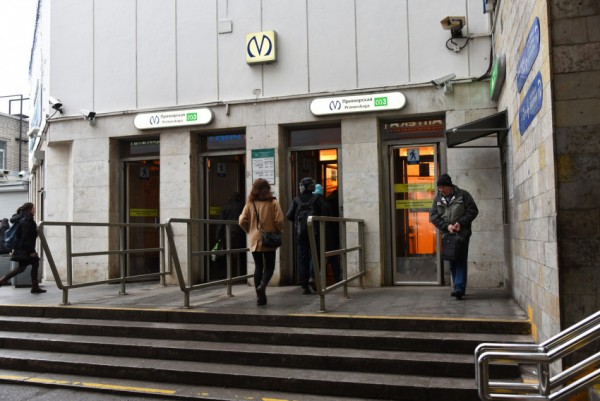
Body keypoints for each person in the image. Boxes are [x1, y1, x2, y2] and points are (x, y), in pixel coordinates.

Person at [429, 174, 478, 300]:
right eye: (439, 188)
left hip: (462, 234)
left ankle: (459, 288)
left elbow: (473, 210)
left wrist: (460, 223)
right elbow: (433, 217)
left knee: (460, 260)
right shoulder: (438, 199)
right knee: (452, 261)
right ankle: (458, 287)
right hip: (447, 235)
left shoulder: (463, 195)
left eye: (443, 187)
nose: (441, 190)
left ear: (449, 186)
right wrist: (447, 226)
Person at [239, 179, 284, 306]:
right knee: (269, 266)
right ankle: (262, 286)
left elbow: (242, 221)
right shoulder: (273, 203)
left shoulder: (250, 203)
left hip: (255, 239)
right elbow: (279, 221)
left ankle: (260, 297)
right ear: (267, 188)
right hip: (269, 239)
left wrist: (250, 231)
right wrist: (277, 230)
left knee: (258, 267)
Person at [286, 177, 327, 294]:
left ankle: (304, 286)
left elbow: (289, 215)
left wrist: (299, 222)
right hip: (315, 233)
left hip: (300, 233)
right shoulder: (317, 199)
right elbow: (323, 215)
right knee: (315, 256)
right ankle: (313, 277)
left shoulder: (296, 200)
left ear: (303, 187)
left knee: (302, 258)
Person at [0, 203, 46, 293]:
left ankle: (35, 287)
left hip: (21, 248)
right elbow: (26, 238)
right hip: (25, 249)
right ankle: (34, 287)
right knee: (27, 266)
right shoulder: (27, 221)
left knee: (25, 266)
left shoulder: (22, 219)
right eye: (33, 208)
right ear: (29, 209)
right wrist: (31, 251)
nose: (35, 210)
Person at [217, 192, 246, 274]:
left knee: (228, 254)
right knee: (240, 253)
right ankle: (240, 273)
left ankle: (229, 273)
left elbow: (220, 223)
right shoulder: (242, 206)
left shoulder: (226, 206)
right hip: (240, 233)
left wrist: (218, 236)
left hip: (228, 234)